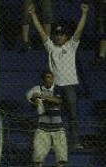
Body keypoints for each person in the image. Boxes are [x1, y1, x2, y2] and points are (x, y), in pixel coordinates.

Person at [29, 2, 89, 149]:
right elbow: (41, 32)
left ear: (66, 36)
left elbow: (79, 30)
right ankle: (51, 141)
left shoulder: (71, 46)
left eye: (61, 34)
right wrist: (33, 15)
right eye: (56, 34)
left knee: (72, 114)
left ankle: (74, 140)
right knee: (52, 115)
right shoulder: (51, 47)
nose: (59, 37)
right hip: (54, 88)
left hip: (69, 86)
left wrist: (84, 14)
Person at [25, 70, 68, 167]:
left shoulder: (58, 89)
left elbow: (57, 100)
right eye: (47, 77)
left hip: (58, 126)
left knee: (61, 151)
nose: (49, 79)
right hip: (42, 126)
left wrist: (42, 96)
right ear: (43, 79)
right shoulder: (37, 89)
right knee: (38, 151)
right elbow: (33, 101)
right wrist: (35, 99)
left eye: (50, 77)